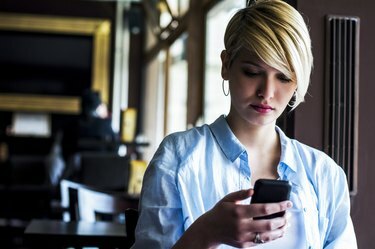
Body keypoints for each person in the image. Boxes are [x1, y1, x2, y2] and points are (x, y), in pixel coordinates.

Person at [132, 0, 357, 248]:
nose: (267, 92)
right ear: (226, 65)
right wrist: (207, 232)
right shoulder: (177, 158)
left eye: (283, 77)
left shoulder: (324, 174)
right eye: (252, 72)